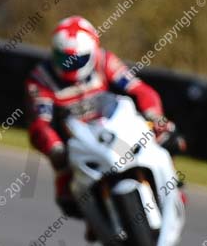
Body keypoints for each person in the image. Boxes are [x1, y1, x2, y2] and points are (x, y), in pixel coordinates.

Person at [24, 16, 185, 228]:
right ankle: (96, 217)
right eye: (63, 58)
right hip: (75, 139)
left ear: (92, 52)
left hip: (112, 126)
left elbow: (140, 90)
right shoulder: (41, 79)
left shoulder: (104, 61)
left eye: (77, 59)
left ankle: (171, 186)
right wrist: (54, 147)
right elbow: (41, 123)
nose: (70, 66)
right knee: (68, 197)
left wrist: (154, 116)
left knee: (166, 137)